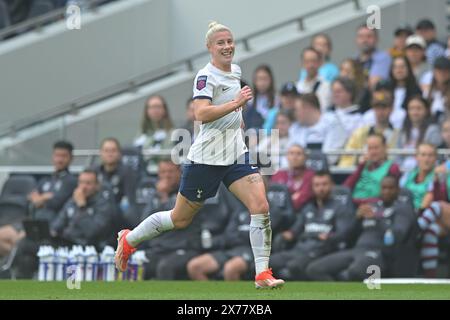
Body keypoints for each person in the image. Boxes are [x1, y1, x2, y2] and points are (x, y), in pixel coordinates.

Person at [114, 21, 284, 289]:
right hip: (206, 158)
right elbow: (201, 113)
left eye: (229, 41)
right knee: (179, 219)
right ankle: (130, 239)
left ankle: (262, 273)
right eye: (221, 43)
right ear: (209, 48)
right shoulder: (205, 76)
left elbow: (227, 110)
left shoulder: (235, 70)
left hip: (235, 154)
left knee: (261, 206)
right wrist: (236, 104)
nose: (227, 46)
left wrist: (237, 118)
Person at [306, 175, 414, 281]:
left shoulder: (403, 209)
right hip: (357, 250)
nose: (386, 191)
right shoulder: (373, 206)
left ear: (398, 190)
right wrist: (357, 218)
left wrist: (377, 219)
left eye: (390, 188)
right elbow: (348, 234)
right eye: (384, 188)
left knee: (355, 272)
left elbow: (399, 234)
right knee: (315, 269)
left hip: (378, 253)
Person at [13, 169, 116, 278]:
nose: (83, 187)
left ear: (97, 186)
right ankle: (25, 289)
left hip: (83, 249)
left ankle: (7, 271)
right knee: (27, 256)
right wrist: (45, 233)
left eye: (88, 183)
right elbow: (57, 225)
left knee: (25, 244)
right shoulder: (73, 201)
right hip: (64, 243)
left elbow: (92, 232)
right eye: (81, 182)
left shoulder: (103, 205)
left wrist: (82, 207)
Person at [270, 171, 354, 280]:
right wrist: (285, 235)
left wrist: (329, 237)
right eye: (317, 185)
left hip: (322, 251)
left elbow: (343, 234)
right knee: (266, 263)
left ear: (332, 185)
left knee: (294, 266)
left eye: (324, 184)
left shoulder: (340, 207)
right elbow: (295, 230)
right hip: (300, 249)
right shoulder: (308, 208)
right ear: (312, 187)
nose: (321, 188)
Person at [339, 89, 400, 167]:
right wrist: (359, 160)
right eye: (377, 108)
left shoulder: (399, 135)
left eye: (384, 107)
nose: (380, 112)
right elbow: (346, 159)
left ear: (391, 109)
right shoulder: (360, 133)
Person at [343, 133, 401, 205]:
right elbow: (345, 188)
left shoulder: (392, 168)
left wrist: (360, 202)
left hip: (376, 208)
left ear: (385, 148)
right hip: (353, 205)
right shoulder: (363, 166)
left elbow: (389, 197)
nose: (373, 152)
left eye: (376, 148)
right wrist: (360, 167)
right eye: (370, 148)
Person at [28, 141, 78, 221]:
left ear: (71, 158)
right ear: (53, 157)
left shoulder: (72, 181)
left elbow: (56, 203)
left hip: (53, 224)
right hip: (35, 221)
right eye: (57, 155)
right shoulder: (45, 180)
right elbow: (31, 198)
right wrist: (45, 197)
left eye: (64, 156)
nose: (60, 160)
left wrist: (40, 199)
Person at [417, 161, 450, 277]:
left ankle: (415, 230)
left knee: (437, 206)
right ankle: (430, 278)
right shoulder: (446, 166)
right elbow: (441, 197)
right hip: (444, 218)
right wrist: (437, 183)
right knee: (431, 231)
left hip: (443, 210)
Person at [322, 77, 362, 163]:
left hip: (348, 159)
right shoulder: (326, 114)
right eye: (333, 91)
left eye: (339, 91)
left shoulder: (359, 117)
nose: (335, 94)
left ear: (350, 93)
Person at [397, 96, 442, 171]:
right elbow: (397, 155)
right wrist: (402, 168)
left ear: (426, 110)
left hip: (424, 170)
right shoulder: (402, 131)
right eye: (411, 109)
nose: (415, 112)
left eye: (419, 108)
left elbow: (432, 156)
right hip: (403, 169)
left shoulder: (433, 130)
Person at [133, 95, 175, 174]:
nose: (155, 110)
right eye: (152, 107)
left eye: (158, 107)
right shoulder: (141, 133)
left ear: (164, 110)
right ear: (147, 111)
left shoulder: (172, 132)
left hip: (164, 173)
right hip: (142, 173)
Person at [94, 137, 137, 209]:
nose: (110, 154)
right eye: (106, 151)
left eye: (113, 151)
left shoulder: (128, 173)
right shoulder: (94, 172)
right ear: (101, 153)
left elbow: (130, 200)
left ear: (119, 153)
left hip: (118, 213)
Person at [270, 144, 314, 213]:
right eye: (291, 153)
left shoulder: (311, 175)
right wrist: (294, 196)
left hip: (303, 212)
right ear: (287, 157)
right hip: (280, 213)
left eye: (299, 154)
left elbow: (305, 195)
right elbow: (273, 198)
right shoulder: (278, 174)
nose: (294, 157)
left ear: (305, 157)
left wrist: (287, 199)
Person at [400, 143, 437, 211]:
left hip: (422, 214)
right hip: (404, 211)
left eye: (430, 155)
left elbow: (425, 205)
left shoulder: (436, 177)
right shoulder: (408, 175)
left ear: (435, 158)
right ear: (416, 157)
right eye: (423, 155)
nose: (427, 159)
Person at [355, 24, 392, 89]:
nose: (364, 40)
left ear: (377, 39)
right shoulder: (354, 59)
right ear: (356, 40)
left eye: (369, 36)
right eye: (361, 37)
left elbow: (374, 84)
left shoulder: (383, 58)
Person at [243, 65, 277, 130]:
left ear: (270, 80)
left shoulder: (277, 100)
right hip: (253, 134)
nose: (262, 83)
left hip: (272, 134)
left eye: (265, 79)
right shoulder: (249, 100)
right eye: (259, 79)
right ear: (254, 81)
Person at [425, 57, 450, 123]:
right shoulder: (427, 92)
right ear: (434, 71)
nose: (442, 73)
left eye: (446, 70)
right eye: (439, 70)